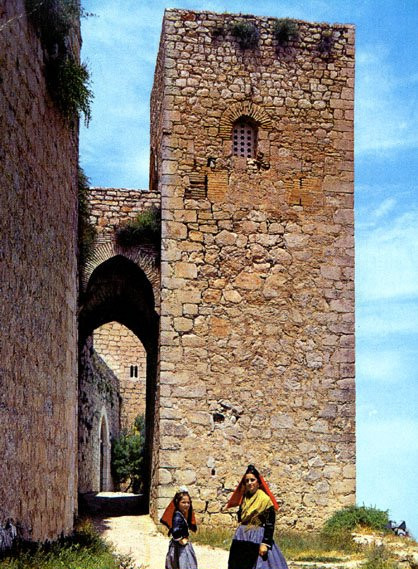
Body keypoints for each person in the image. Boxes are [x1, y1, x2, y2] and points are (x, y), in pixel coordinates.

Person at [227, 464, 288, 569]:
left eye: (252, 480)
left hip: (257, 536)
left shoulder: (264, 500)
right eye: (247, 481)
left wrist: (265, 543)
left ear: (258, 482)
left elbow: (270, 523)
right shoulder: (245, 498)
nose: (250, 483)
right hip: (242, 536)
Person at [160, 487, 198, 569]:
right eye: (183, 502)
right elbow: (175, 532)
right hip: (180, 548)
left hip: (178, 547)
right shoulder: (177, 516)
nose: (186, 505)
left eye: (188, 502)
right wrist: (182, 541)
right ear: (177, 503)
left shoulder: (181, 514)